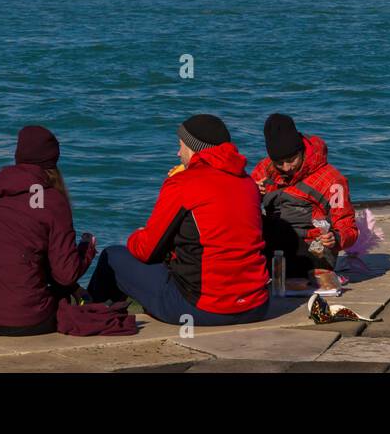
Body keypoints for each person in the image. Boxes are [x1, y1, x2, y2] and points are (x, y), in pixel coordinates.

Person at [87, 114, 269, 326]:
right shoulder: (247, 183)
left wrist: (138, 235)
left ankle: (88, 318)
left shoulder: (182, 183)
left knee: (113, 257)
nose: (178, 152)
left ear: (193, 149)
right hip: (256, 306)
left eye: (180, 146)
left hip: (202, 309)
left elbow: (147, 250)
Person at [0, 125, 96, 336]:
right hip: (27, 322)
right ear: (53, 161)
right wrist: (87, 247)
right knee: (54, 294)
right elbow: (65, 274)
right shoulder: (54, 200)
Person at [252, 113, 357, 278]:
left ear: (301, 150)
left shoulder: (332, 180)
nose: (287, 168)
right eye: (279, 163)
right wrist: (251, 193)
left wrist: (335, 238)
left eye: (292, 160)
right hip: (276, 242)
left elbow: (347, 225)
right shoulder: (263, 169)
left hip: (313, 247)